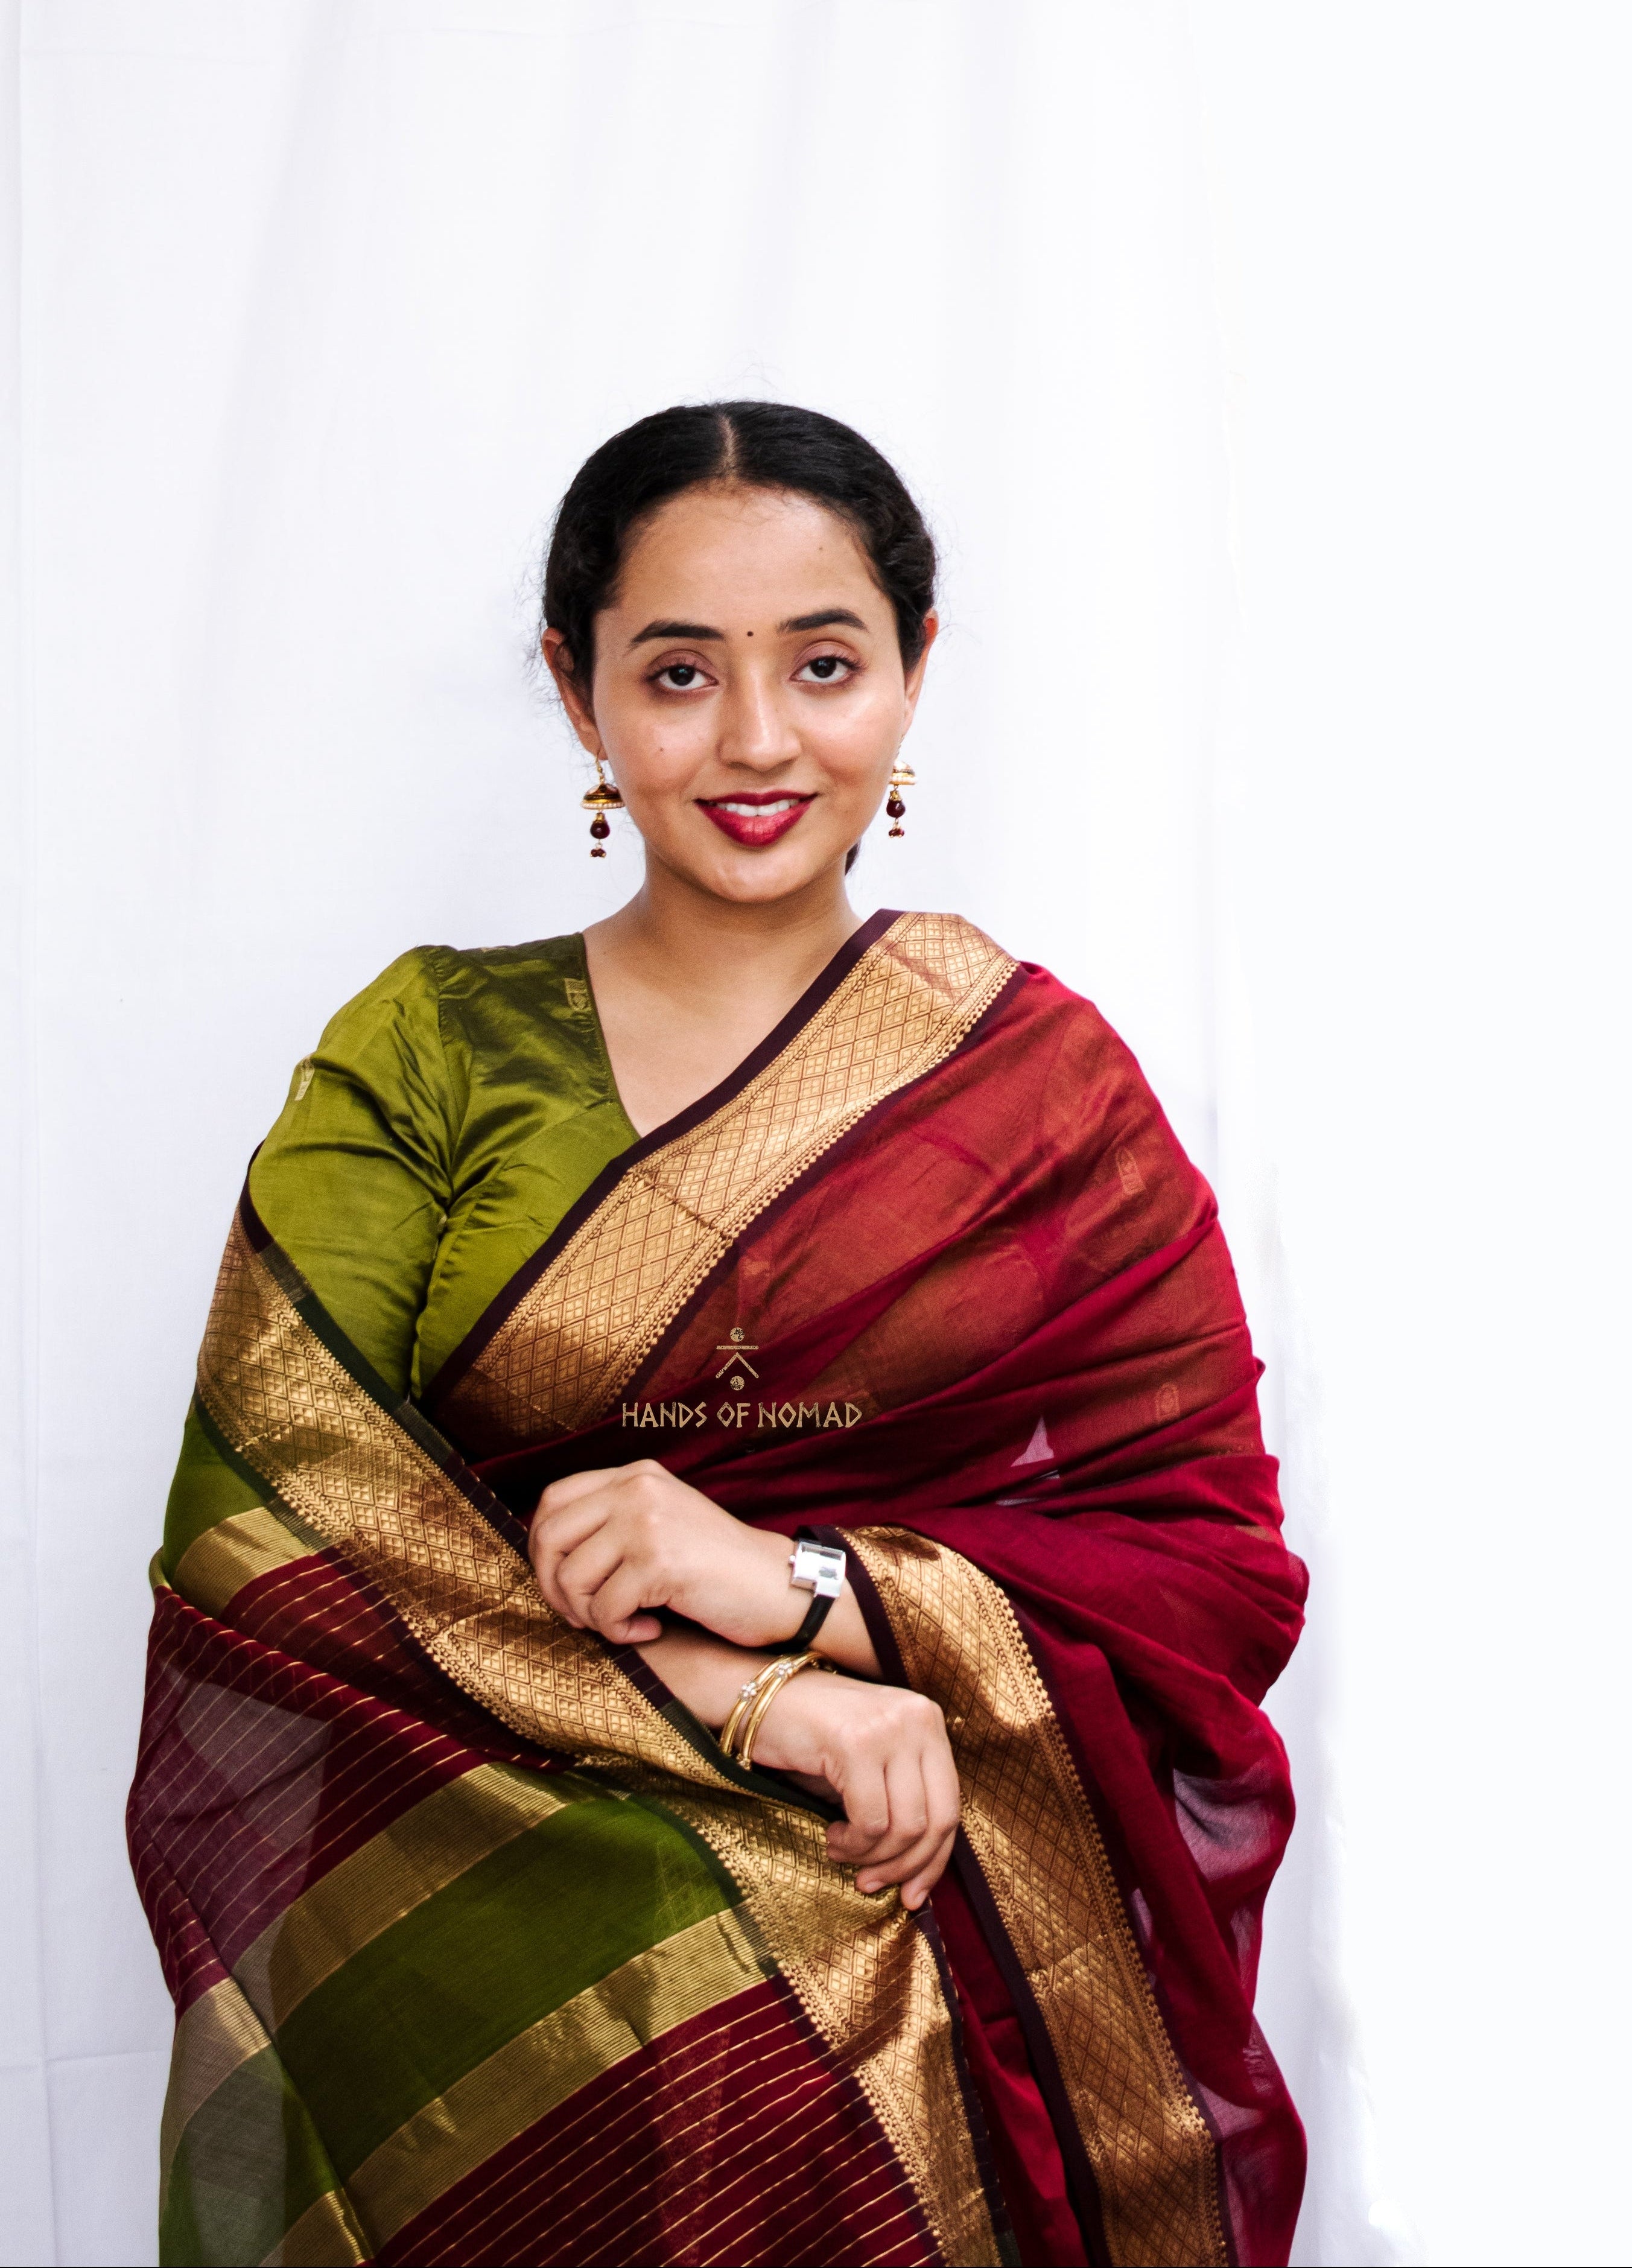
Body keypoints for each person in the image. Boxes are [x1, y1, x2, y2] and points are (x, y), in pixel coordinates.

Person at [129, 401, 1307, 2267]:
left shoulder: (1039, 1088)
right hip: (495, 1902)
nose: (755, 740)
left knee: (837, 2023)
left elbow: (1201, 1570)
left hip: (938, 1943)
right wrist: (755, 1701)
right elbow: (273, 1538)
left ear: (916, 673)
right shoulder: (432, 1053)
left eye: (821, 664)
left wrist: (803, 1587)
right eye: (676, 673)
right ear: (575, 692)